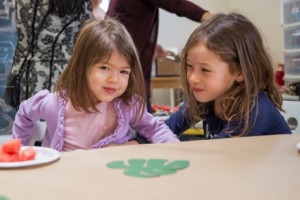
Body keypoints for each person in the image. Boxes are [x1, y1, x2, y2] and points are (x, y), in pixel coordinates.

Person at [12, 18, 179, 151]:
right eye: (105, 68)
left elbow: (155, 128)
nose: (114, 79)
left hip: (110, 181)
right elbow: (25, 113)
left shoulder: (128, 105)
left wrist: (175, 148)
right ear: (82, 66)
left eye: (123, 72)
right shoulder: (55, 103)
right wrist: (19, 149)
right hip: (66, 183)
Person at [165, 13, 291, 138]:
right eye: (189, 66)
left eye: (205, 69)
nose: (193, 78)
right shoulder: (207, 95)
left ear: (240, 72)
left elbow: (216, 155)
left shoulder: (254, 110)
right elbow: (166, 130)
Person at [106, 0, 212, 113]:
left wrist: (149, 46)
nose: (194, 79)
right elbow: (175, 3)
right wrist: (206, 16)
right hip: (129, 75)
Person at [11, 0, 103, 107]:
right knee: (57, 119)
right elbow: (88, 35)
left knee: (28, 117)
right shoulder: (78, 3)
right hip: (61, 74)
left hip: (25, 73)